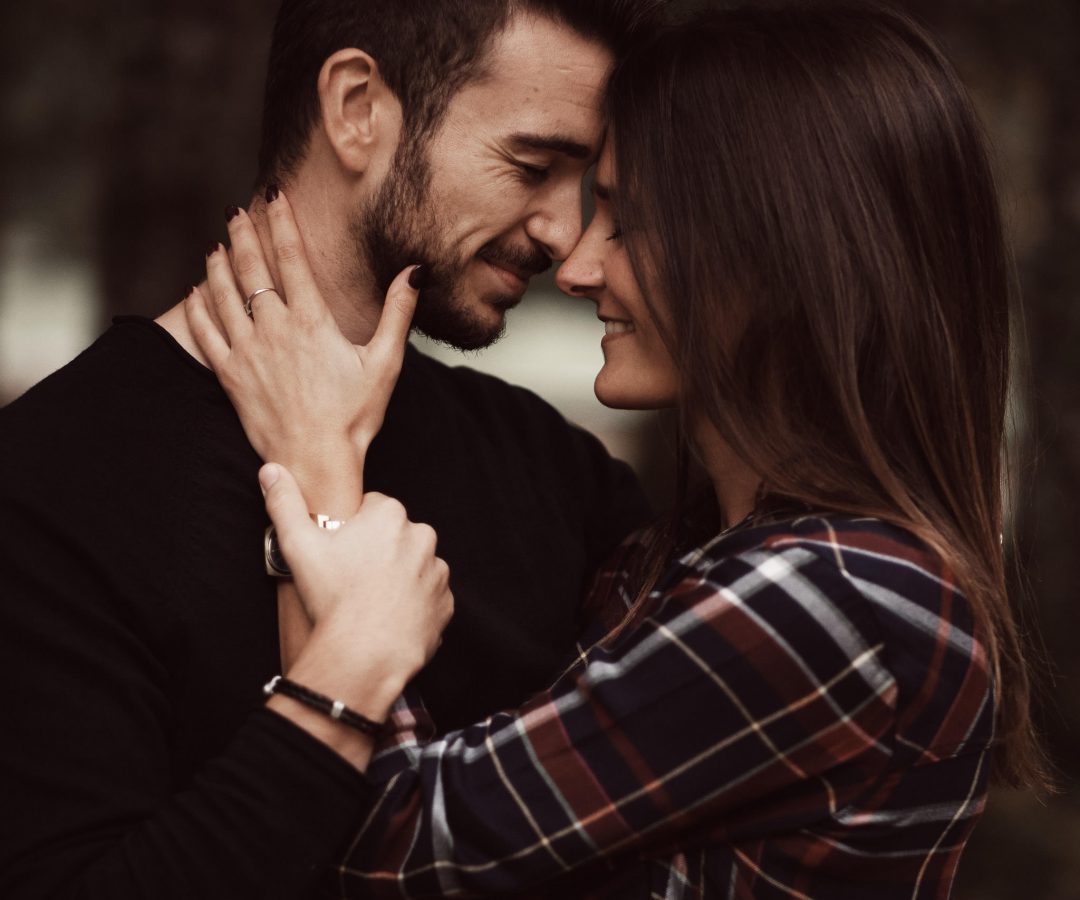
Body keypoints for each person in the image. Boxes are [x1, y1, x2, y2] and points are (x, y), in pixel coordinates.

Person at [184, 3, 1050, 897]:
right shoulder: (670, 556)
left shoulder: (843, 602)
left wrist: (317, 470)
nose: (578, 266)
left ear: (781, 255)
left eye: (628, 225)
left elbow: (386, 850)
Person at [0, 2, 659, 898]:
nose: (562, 230)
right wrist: (346, 674)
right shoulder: (52, 481)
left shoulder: (553, 467)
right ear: (356, 108)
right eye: (533, 166)